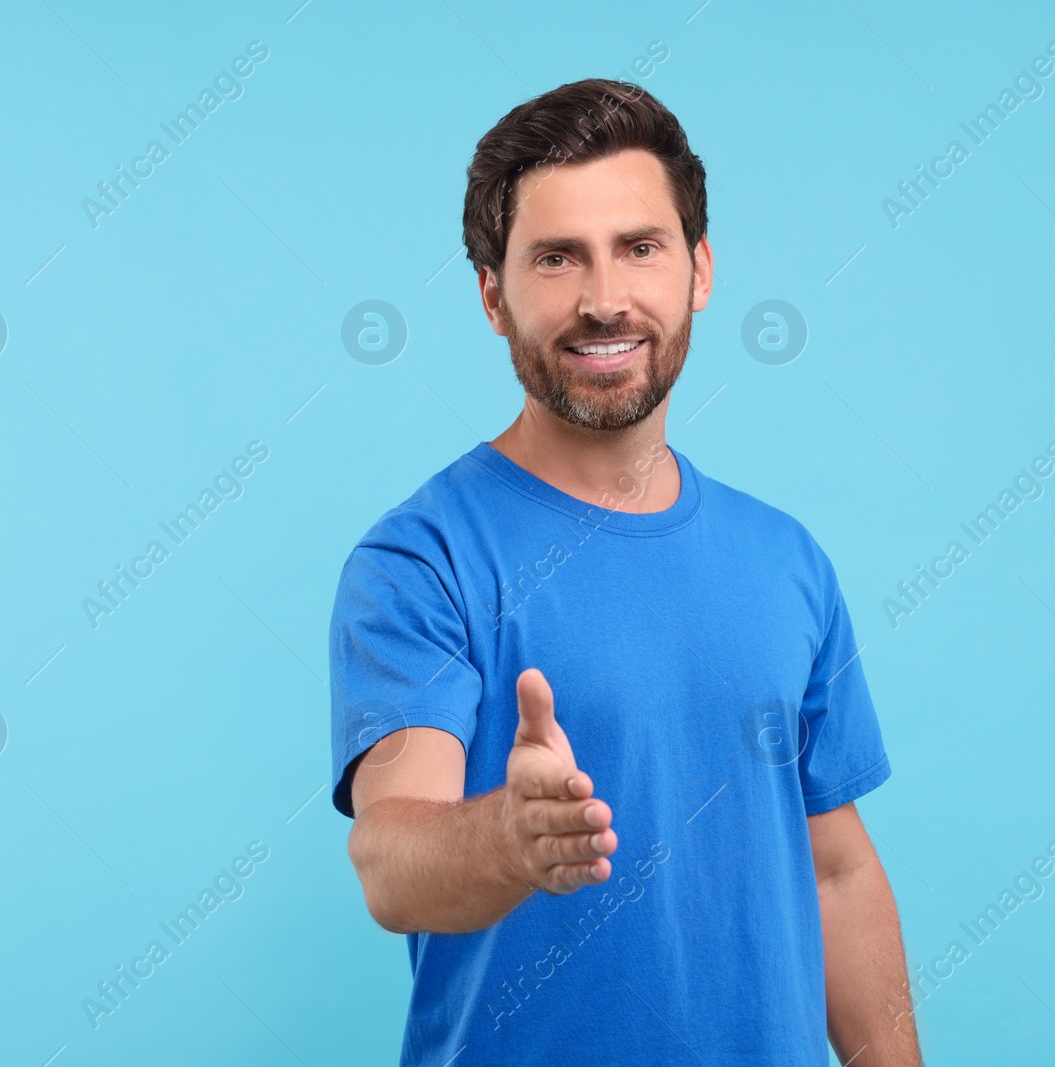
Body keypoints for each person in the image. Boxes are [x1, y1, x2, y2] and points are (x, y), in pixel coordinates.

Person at [329, 77, 922, 1066]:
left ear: (697, 270)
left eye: (638, 247)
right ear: (491, 294)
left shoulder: (786, 560)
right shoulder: (419, 560)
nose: (603, 299)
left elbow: (833, 870)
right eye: (556, 258)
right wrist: (508, 841)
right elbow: (392, 858)